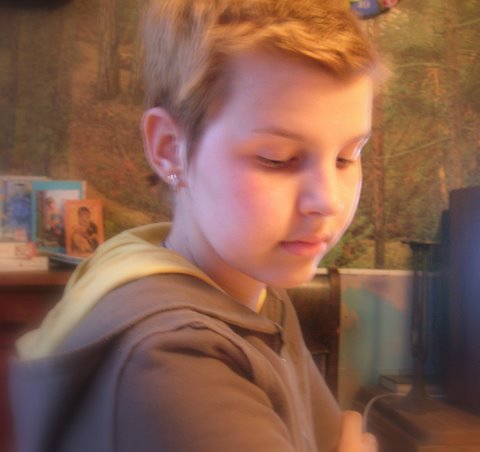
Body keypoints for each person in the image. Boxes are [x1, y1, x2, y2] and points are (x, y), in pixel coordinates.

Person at [10, 1, 382, 451]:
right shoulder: (175, 359)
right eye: (277, 158)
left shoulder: (254, 288)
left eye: (347, 156)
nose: (329, 200)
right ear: (170, 148)